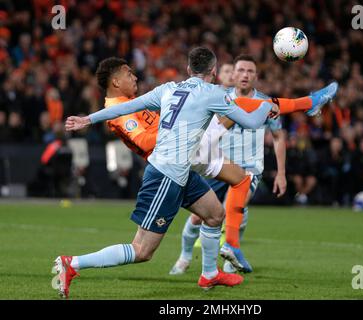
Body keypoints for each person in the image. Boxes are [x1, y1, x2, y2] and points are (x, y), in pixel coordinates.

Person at [54, 47, 279, 298]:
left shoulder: (168, 89)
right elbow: (252, 122)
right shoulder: (212, 94)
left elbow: (123, 108)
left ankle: (209, 274)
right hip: (166, 175)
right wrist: (269, 105)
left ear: (188, 70)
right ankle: (71, 264)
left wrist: (88, 119)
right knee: (142, 251)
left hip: (181, 171)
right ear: (214, 72)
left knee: (215, 215)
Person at [169, 54, 339, 274]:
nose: (245, 75)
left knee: (236, 209)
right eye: (240, 70)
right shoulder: (221, 96)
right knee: (198, 217)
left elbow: (278, 137)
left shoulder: (265, 101)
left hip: (249, 167)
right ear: (233, 74)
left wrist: (281, 173)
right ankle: (184, 257)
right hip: (218, 165)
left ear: (256, 76)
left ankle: (229, 259)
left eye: (250, 71)